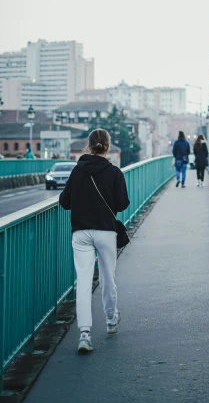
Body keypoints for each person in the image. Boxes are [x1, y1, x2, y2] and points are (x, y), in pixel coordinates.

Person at [59, 128, 130, 354]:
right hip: (106, 232)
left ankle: (84, 334)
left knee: (83, 281)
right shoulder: (115, 172)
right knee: (108, 277)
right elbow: (122, 204)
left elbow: (64, 202)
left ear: (89, 146)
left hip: (81, 233)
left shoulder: (77, 171)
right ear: (107, 147)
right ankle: (110, 319)